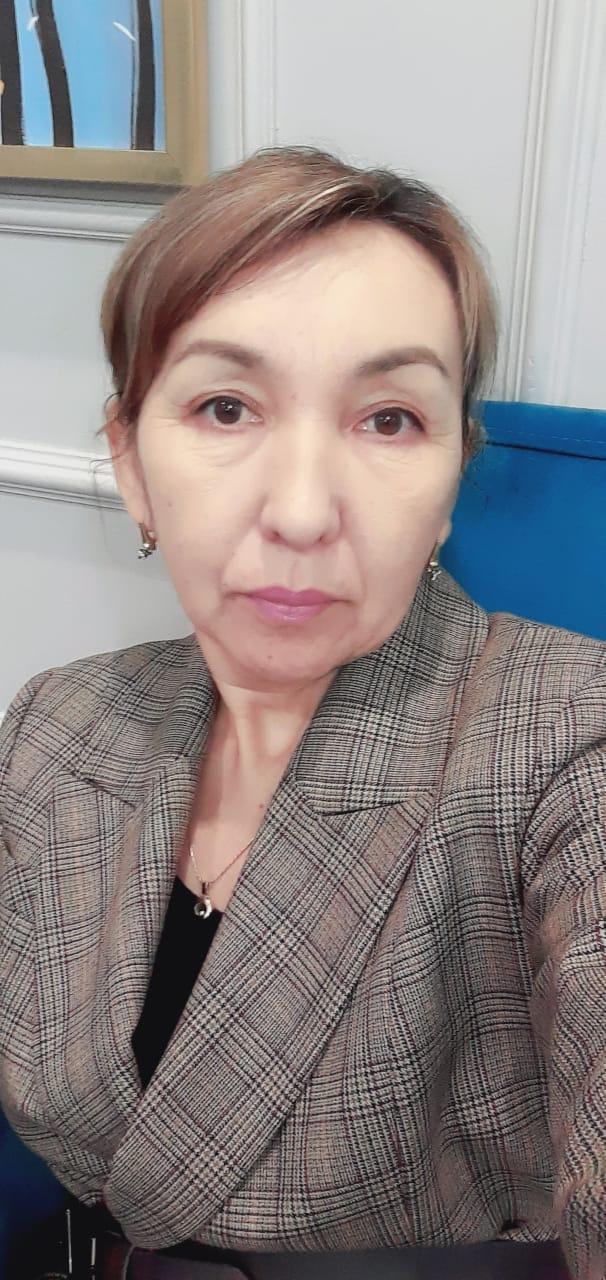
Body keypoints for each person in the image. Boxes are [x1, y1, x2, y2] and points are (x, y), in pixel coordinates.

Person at [0, 145, 604, 1280]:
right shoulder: (59, 724)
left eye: (390, 420)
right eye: (225, 406)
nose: (302, 510)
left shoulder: (567, 738)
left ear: (449, 486)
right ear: (131, 461)